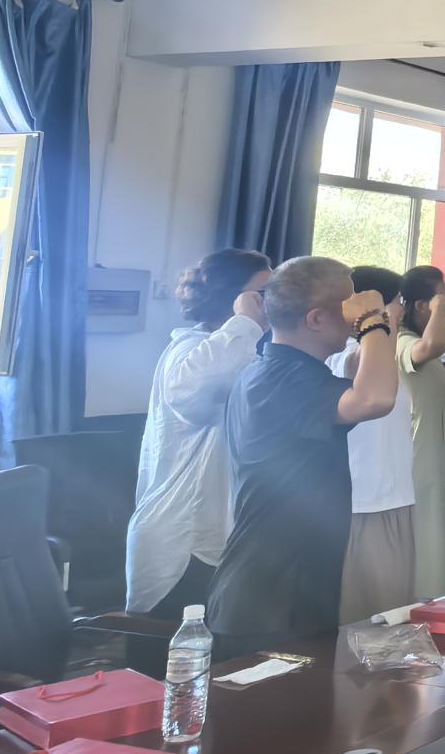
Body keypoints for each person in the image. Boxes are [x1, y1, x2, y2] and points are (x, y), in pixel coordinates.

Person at [207, 257, 399, 649]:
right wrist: (372, 321)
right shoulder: (283, 379)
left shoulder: (282, 371)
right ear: (315, 319)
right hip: (270, 601)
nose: (353, 316)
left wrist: (381, 323)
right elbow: (375, 398)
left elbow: (367, 378)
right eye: (347, 307)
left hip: (289, 589)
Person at [125, 248, 271, 619]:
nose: (270, 304)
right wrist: (246, 322)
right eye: (261, 294)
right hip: (184, 539)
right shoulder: (189, 351)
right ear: (232, 298)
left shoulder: (242, 351)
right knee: (173, 650)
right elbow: (198, 391)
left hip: (221, 533)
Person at [335, 266, 416, 624]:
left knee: (394, 610)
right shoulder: (351, 355)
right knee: (369, 615)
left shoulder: (381, 357)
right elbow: (363, 367)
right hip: (367, 500)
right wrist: (379, 322)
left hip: (393, 495)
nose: (402, 309)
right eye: (398, 301)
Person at [397, 265, 445, 601]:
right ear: (421, 305)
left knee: (439, 535)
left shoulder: (415, 341)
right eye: (440, 299)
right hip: (416, 455)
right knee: (426, 538)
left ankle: (438, 606)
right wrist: (439, 309)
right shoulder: (402, 342)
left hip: (435, 451)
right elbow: (434, 345)